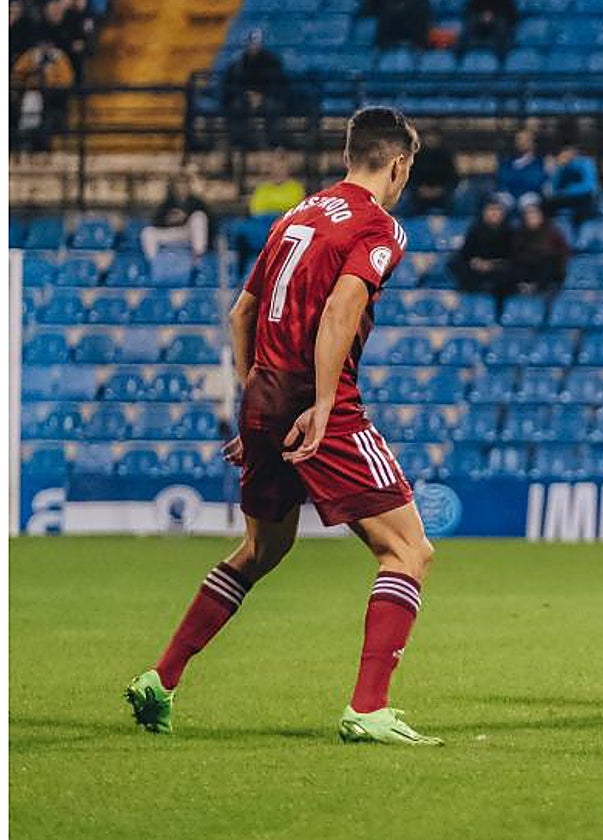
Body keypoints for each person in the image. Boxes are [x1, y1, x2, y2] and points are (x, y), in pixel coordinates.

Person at [124, 107, 444, 747]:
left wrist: (254, 403)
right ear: (399, 164)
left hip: (266, 393)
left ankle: (161, 678)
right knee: (408, 550)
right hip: (314, 398)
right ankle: (369, 708)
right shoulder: (380, 226)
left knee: (264, 549)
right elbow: (340, 312)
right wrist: (323, 406)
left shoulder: (296, 215)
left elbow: (241, 314)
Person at [223, 29, 286, 150]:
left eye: (255, 43)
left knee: (271, 107)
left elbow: (276, 83)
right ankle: (239, 143)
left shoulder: (271, 62)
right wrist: (248, 95)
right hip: (245, 97)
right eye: (250, 43)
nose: (253, 46)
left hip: (267, 96)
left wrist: (261, 95)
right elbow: (234, 84)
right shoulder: (239, 64)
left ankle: (274, 144)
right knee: (236, 107)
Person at [9, 40, 74, 151]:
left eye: (48, 45)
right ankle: (25, 140)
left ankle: (41, 142)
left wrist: (53, 84)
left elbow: (67, 79)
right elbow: (17, 74)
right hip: (31, 92)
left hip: (53, 94)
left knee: (47, 113)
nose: (45, 48)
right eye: (42, 45)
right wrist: (27, 80)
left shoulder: (59, 57)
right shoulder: (30, 56)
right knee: (29, 106)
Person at [449, 195, 514, 296]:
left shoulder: (509, 231)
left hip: (498, 269)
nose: (494, 213)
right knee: (455, 262)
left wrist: (492, 265)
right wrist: (475, 262)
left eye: (497, 210)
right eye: (490, 210)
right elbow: (466, 253)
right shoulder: (475, 229)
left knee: (510, 272)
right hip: (477, 268)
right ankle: (470, 296)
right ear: (484, 212)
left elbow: (512, 256)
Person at [140, 170, 211, 260]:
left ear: (189, 186)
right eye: (179, 184)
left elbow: (208, 222)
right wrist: (168, 220)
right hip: (172, 232)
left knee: (199, 216)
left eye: (184, 184)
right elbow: (156, 221)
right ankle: (153, 263)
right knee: (147, 232)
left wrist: (186, 217)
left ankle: (198, 258)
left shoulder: (197, 203)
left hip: (189, 233)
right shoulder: (167, 203)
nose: (181, 187)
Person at [512, 195, 570, 295]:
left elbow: (563, 251)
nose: (532, 217)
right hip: (526, 267)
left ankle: (537, 287)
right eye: (529, 215)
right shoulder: (519, 233)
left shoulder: (552, 231)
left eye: (534, 214)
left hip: (547, 267)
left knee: (548, 261)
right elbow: (515, 252)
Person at [404, 128, 459, 215]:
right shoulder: (416, 156)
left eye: (433, 137)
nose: (431, 140)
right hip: (419, 193)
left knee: (455, 199)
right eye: (428, 137)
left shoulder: (446, 156)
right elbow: (409, 176)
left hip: (442, 193)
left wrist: (440, 190)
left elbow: (453, 178)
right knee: (406, 199)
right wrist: (419, 190)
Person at [545, 141, 598, 224]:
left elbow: (589, 187)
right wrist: (555, 171)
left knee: (584, 206)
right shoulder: (561, 167)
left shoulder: (585, 163)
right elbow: (554, 190)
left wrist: (567, 190)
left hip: (584, 198)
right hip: (566, 198)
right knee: (546, 205)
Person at [496, 129, 547, 207]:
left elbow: (537, 183)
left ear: (534, 143)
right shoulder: (506, 165)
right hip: (508, 207)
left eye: (526, 140)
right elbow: (502, 184)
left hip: (532, 207)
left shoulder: (541, 164)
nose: (521, 142)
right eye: (518, 139)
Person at [249, 153, 305, 217]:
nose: (278, 172)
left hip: (286, 222)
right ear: (270, 170)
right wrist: (281, 206)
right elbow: (255, 210)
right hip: (263, 222)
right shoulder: (262, 188)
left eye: (281, 168)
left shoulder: (296, 188)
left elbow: (296, 210)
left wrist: (270, 205)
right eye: (275, 168)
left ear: (288, 170)